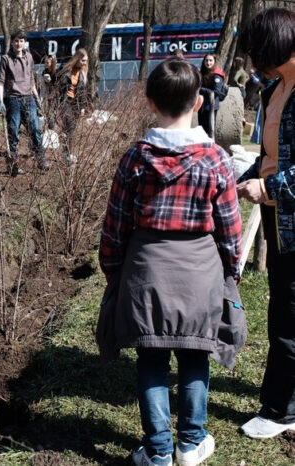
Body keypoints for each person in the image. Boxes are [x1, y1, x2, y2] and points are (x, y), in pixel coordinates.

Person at [99, 58, 243, 466]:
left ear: (148, 102)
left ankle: (159, 451)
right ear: (199, 102)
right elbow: (230, 229)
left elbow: (116, 225)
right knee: (196, 354)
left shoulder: (134, 159)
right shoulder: (217, 160)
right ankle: (191, 443)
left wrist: (113, 270)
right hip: (200, 273)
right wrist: (230, 272)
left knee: (152, 358)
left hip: (146, 272)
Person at [236, 7, 295, 440]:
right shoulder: (277, 88)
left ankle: (281, 411)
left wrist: (269, 188)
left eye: (258, 50)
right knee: (283, 307)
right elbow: (274, 153)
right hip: (281, 219)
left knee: (290, 316)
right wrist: (249, 174)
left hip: (289, 215)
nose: (254, 60)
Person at [0, 29, 50, 175]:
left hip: (28, 98)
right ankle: (13, 164)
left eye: (21, 41)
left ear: (25, 43)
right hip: (13, 99)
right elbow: (0, 82)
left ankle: (41, 159)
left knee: (35, 128)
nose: (18, 43)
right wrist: (1, 100)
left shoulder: (29, 57)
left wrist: (37, 98)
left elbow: (31, 80)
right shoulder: (6, 59)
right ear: (12, 42)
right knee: (13, 131)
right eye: (16, 41)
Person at [57, 48, 90, 162]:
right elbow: (56, 81)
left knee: (70, 129)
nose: (84, 63)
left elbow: (83, 92)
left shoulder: (83, 73)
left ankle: (65, 153)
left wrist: (82, 107)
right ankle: (68, 154)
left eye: (85, 61)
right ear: (76, 59)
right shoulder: (66, 69)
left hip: (75, 104)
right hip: (65, 101)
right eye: (82, 60)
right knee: (69, 126)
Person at [197, 54, 228, 138]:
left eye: (210, 60)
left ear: (214, 62)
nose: (208, 62)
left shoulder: (216, 75)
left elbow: (216, 92)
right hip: (202, 105)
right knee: (201, 129)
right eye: (206, 60)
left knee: (209, 130)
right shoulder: (203, 73)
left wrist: (200, 89)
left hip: (211, 106)